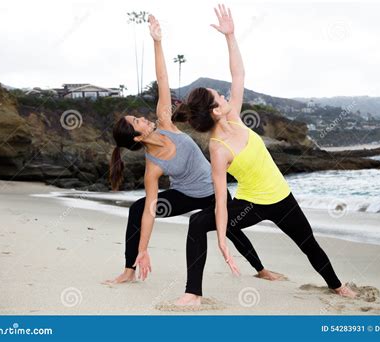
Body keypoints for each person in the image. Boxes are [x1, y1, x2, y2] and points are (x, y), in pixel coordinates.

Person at [173, 5, 357, 305]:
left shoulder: (233, 116)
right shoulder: (218, 149)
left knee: (308, 243)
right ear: (214, 110)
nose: (224, 95)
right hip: (251, 205)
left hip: (281, 198)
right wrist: (220, 238)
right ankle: (192, 292)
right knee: (197, 223)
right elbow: (220, 200)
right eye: (219, 96)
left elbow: (238, 72)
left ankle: (337, 286)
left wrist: (230, 36)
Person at [106, 15, 280, 284]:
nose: (142, 118)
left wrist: (157, 42)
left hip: (211, 190)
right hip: (185, 195)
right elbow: (151, 210)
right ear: (138, 138)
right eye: (136, 122)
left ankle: (261, 268)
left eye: (138, 116)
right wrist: (143, 250)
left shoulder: (165, 121)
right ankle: (129, 268)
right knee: (138, 209)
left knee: (231, 225)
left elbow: (162, 78)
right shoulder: (153, 168)